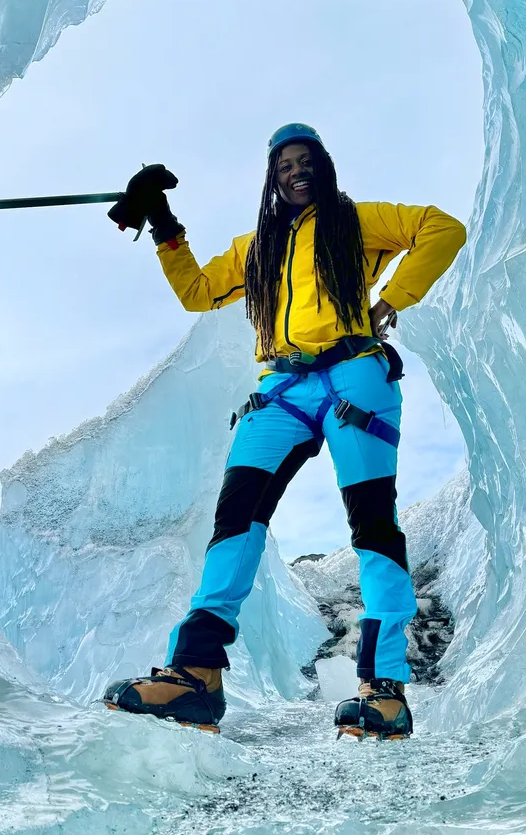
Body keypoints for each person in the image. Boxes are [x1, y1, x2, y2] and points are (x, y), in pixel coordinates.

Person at [103, 124, 466, 739]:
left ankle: (384, 690)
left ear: (322, 166)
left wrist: (393, 298)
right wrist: (162, 222)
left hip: (356, 378)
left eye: (306, 161)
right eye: (284, 165)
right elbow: (197, 292)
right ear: (273, 178)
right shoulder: (256, 249)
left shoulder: (358, 223)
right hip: (280, 388)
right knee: (236, 517)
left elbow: (442, 228)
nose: (295, 171)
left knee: (373, 525)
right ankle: (195, 675)